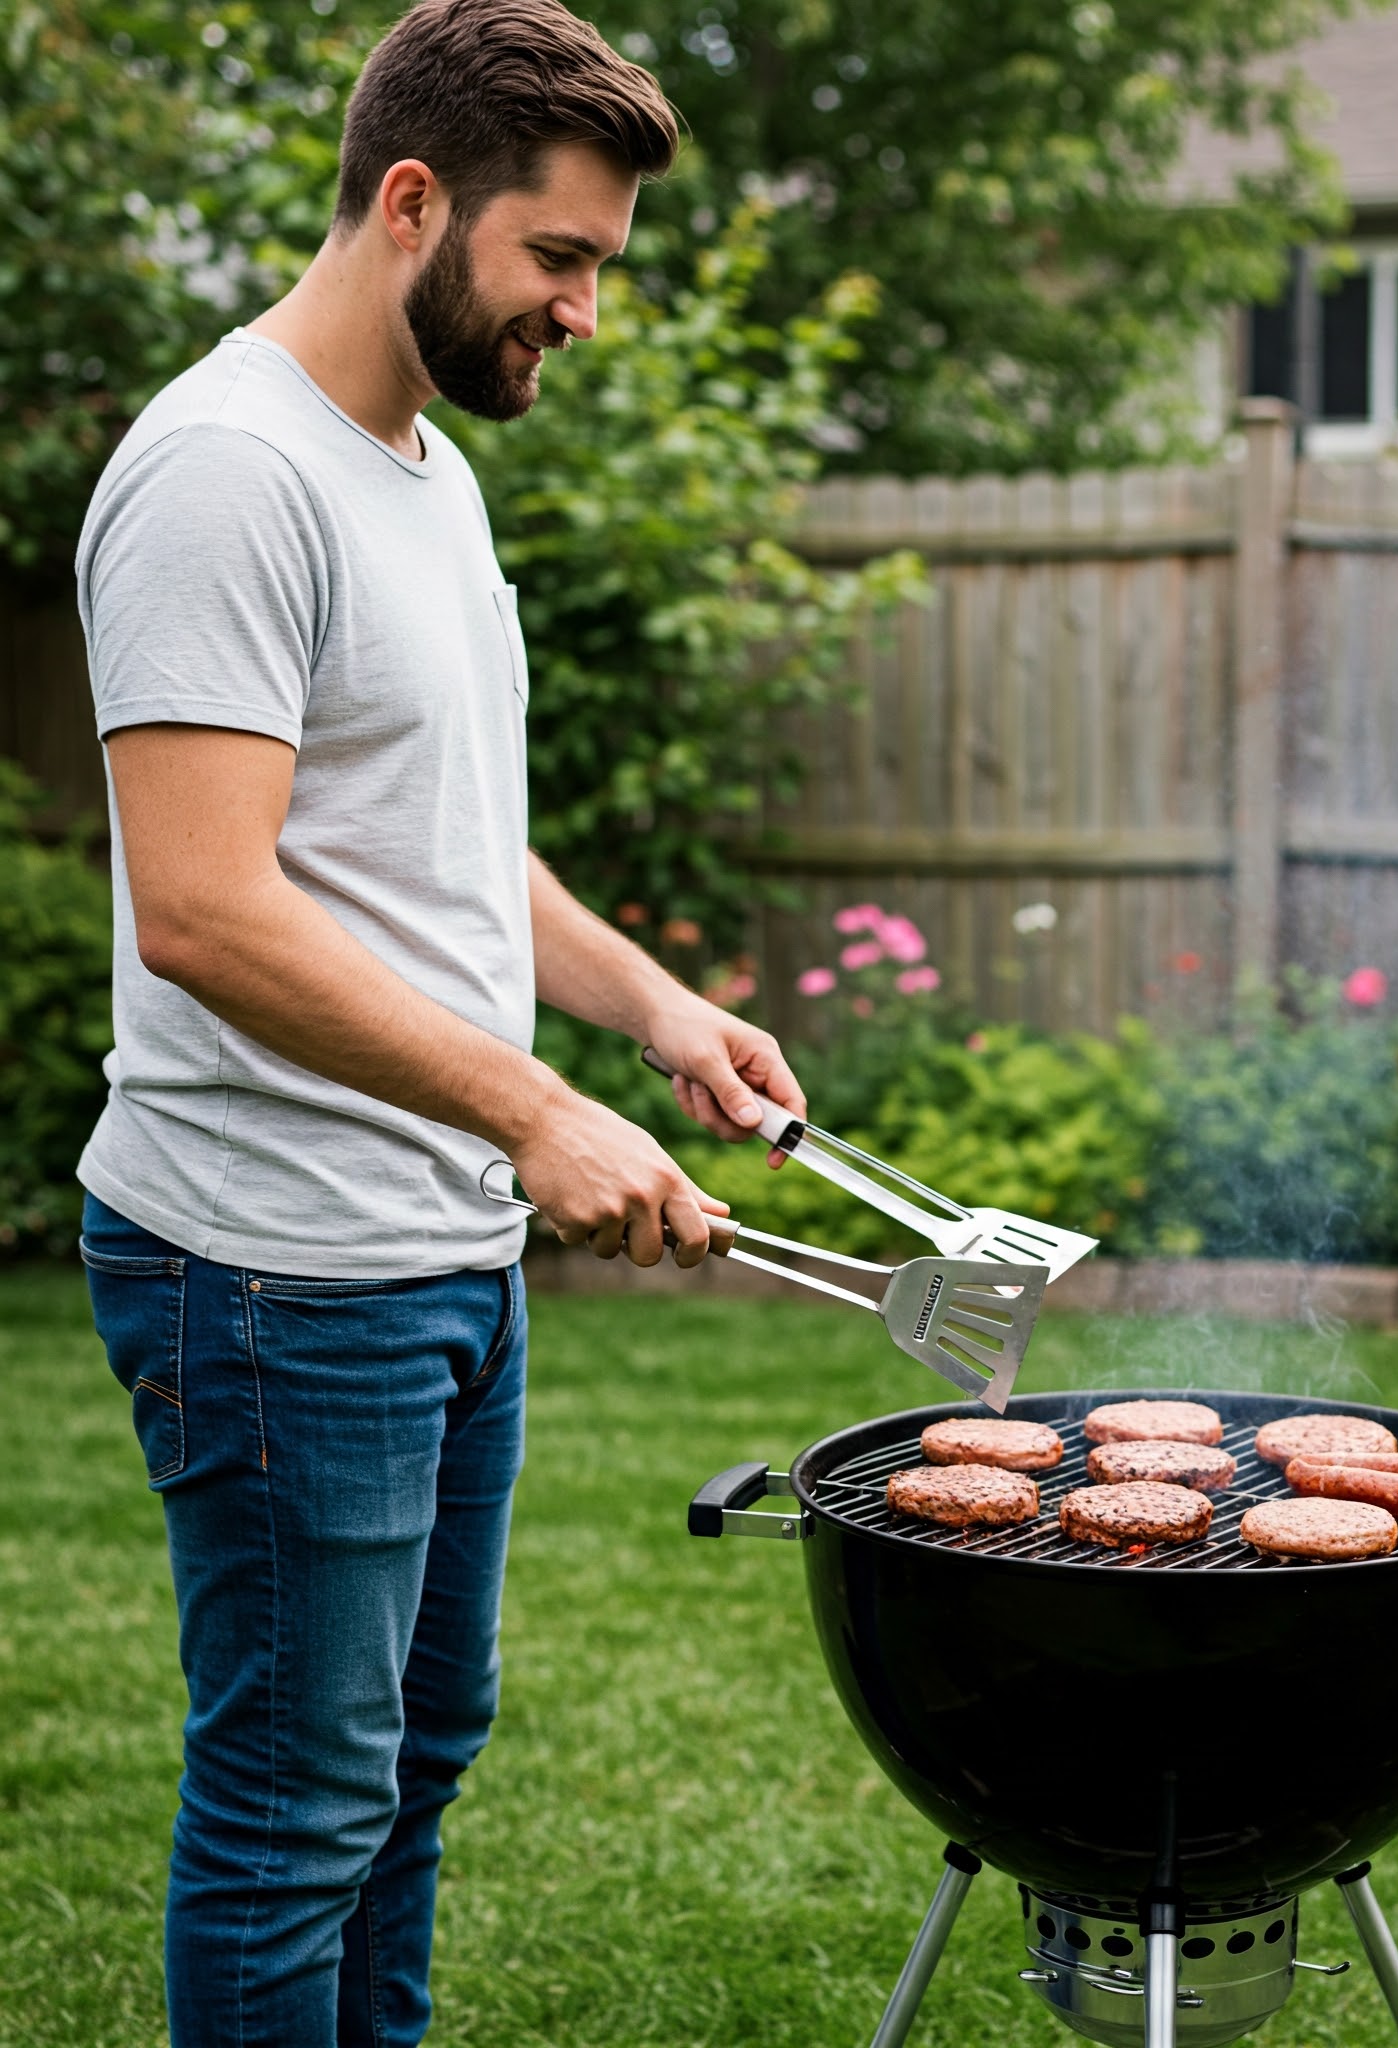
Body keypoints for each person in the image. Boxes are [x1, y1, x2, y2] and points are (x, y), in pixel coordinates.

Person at [71, 3, 797, 2040]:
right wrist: (529, 1112)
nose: (582, 309)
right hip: (275, 1266)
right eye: (558, 257)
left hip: (434, 1253)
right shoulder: (224, 475)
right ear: (416, 203)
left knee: (408, 1769)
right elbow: (210, 909)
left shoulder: (422, 473)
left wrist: (650, 1009)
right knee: (299, 1805)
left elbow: (442, 847)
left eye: (599, 268)